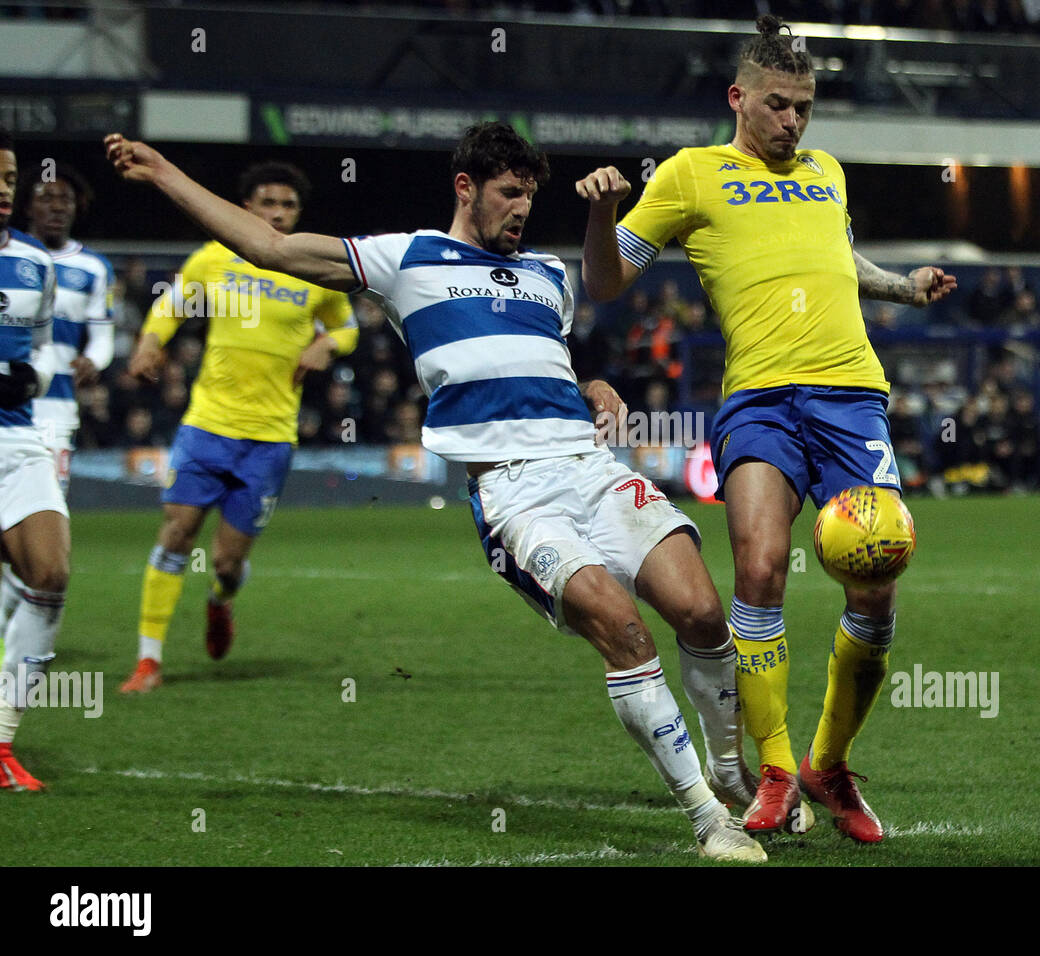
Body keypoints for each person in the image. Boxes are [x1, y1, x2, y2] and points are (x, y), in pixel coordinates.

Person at [105, 121, 768, 862]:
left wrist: (593, 381)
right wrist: (165, 172)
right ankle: (710, 819)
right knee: (627, 635)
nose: (522, 208)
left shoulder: (549, 276)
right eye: (509, 193)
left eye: (530, 195)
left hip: (594, 468)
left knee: (704, 613)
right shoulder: (408, 258)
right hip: (518, 496)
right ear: (466, 188)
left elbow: (540, 358)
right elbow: (275, 249)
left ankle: (731, 770)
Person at [577, 16, 956, 842]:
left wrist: (901, 286)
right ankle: (778, 773)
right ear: (738, 98)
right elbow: (605, 284)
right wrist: (601, 217)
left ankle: (830, 761)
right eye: (779, 105)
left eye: (805, 109)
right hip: (758, 399)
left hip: (851, 393)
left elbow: (835, 258)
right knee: (758, 568)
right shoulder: (689, 175)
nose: (793, 123)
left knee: (877, 581)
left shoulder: (827, 172)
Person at [117, 160, 358, 693]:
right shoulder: (214, 259)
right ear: (246, 207)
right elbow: (170, 308)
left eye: (288, 205)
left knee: (227, 563)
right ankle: (148, 661)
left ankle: (220, 601)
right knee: (177, 532)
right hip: (207, 425)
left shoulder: (311, 266)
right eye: (267, 202)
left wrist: (327, 344)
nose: (277, 212)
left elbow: (350, 327)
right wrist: (149, 343)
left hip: (270, 438)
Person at [0, 163, 115, 640]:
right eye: (46, 198)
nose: (55, 207)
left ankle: (16, 635)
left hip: (51, 407)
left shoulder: (92, 268)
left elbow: (103, 338)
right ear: (30, 205)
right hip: (16, 410)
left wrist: (93, 360)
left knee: (40, 536)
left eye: (65, 200)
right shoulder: (24, 259)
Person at [0, 129, 70, 790]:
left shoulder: (34, 264)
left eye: (8, 177)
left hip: (17, 443)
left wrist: (34, 380)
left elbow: (46, 346)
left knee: (49, 575)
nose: (2, 189)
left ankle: (1, 742)